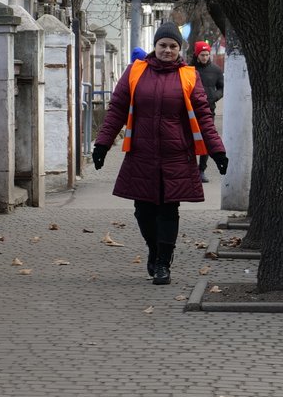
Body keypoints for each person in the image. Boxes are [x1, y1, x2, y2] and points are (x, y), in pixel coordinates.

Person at [92, 22, 228, 285]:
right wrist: (102, 144)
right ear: (154, 47)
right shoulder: (136, 71)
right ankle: (154, 250)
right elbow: (117, 109)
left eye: (173, 46)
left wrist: (218, 151)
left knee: (168, 209)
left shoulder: (189, 75)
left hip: (176, 154)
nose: (168, 50)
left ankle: (164, 262)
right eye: (163, 45)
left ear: (180, 49)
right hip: (141, 153)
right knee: (143, 210)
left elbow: (203, 117)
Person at [192, 40, 225, 182]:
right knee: (189, 139)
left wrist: (213, 97)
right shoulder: (189, 69)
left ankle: (201, 170)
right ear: (197, 54)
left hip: (208, 110)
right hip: (190, 110)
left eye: (206, 54)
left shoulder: (216, 70)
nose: (205, 57)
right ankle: (189, 170)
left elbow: (222, 88)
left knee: (206, 140)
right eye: (202, 54)